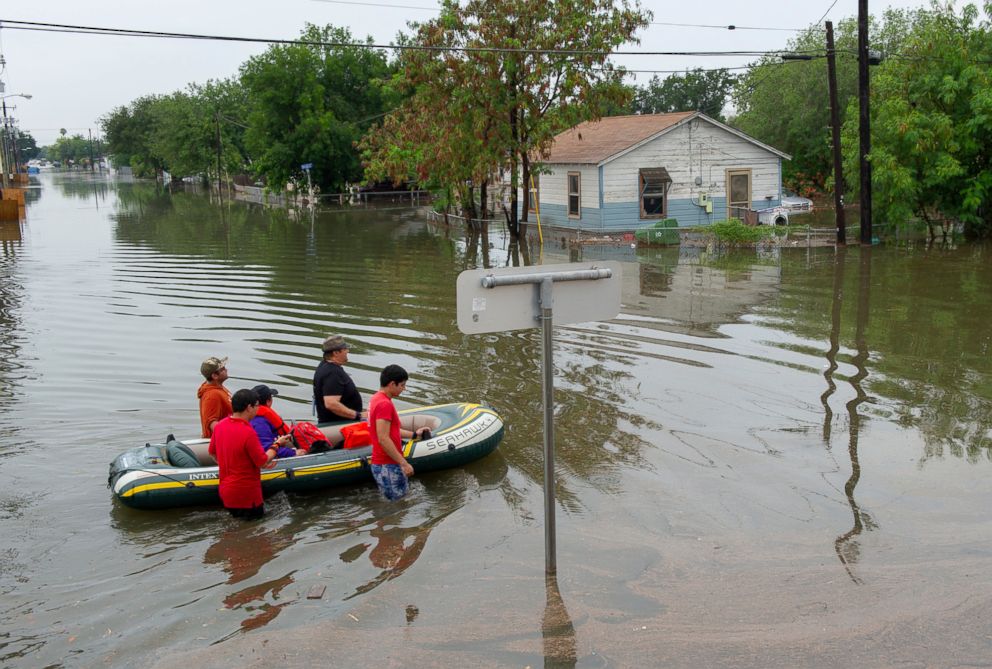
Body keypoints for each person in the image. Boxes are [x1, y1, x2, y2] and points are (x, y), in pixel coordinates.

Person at [209, 388, 279, 519]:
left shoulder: (220, 426)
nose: (258, 409)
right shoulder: (248, 432)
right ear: (249, 407)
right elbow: (262, 461)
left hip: (226, 492)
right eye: (257, 406)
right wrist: (277, 445)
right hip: (247, 494)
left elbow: (212, 453)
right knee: (257, 534)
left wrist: (231, 465)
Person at [368, 364, 429, 501]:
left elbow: (391, 431)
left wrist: (414, 435)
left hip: (382, 463)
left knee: (394, 505)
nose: (404, 388)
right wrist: (404, 463)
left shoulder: (376, 399)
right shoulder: (385, 404)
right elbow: (383, 438)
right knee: (397, 508)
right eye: (402, 385)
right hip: (388, 464)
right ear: (392, 384)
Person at [313, 335, 366, 424]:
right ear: (336, 353)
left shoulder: (324, 365)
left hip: (335, 421)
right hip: (338, 425)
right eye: (345, 349)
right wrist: (358, 415)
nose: (347, 351)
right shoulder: (332, 373)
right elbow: (331, 404)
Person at [249, 384, 300, 458]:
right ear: (268, 401)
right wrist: (293, 453)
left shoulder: (255, 417)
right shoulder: (260, 422)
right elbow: (266, 449)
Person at [198, 356, 232, 438]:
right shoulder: (211, 395)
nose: (226, 370)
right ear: (214, 376)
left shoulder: (218, 387)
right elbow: (212, 423)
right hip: (218, 441)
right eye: (222, 369)